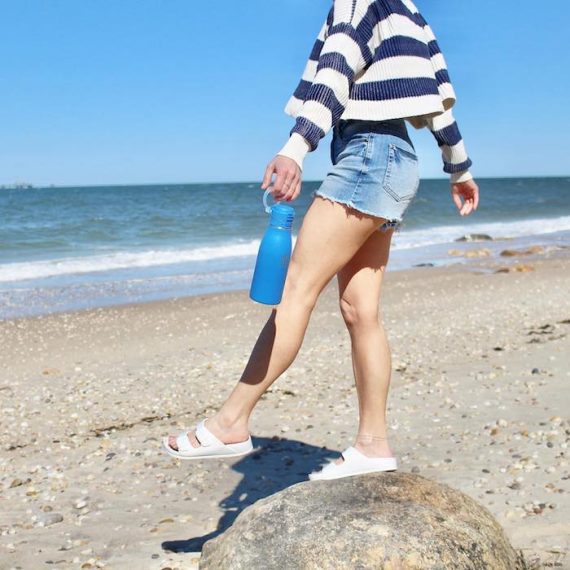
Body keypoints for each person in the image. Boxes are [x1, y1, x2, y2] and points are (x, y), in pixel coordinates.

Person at [163, 0, 479, 480]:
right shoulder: (409, 12)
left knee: (296, 291)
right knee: (360, 311)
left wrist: (295, 148)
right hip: (399, 161)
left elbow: (334, 70)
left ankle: (231, 422)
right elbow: (438, 96)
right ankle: (373, 445)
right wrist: (459, 168)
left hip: (368, 155)